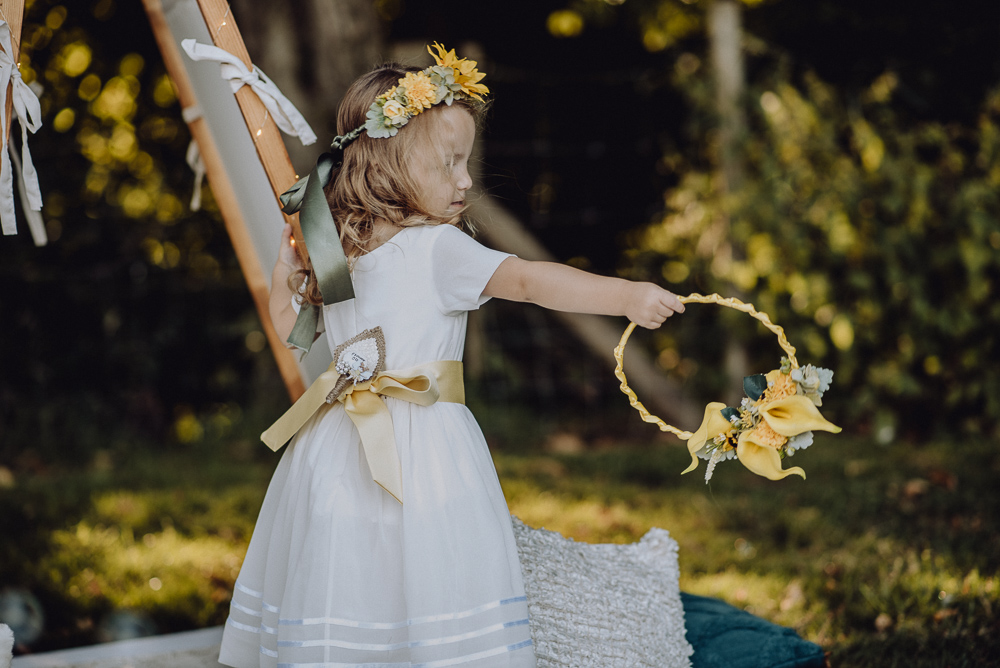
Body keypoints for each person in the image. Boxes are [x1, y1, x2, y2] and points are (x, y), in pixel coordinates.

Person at [218, 45, 684, 668]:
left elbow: (527, 279)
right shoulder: (340, 246)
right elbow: (294, 327)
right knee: (362, 561)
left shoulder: (431, 248)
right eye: (448, 164)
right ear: (389, 164)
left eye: (465, 162)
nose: (466, 179)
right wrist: (285, 269)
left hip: (396, 439)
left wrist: (623, 295)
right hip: (361, 441)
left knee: (401, 558)